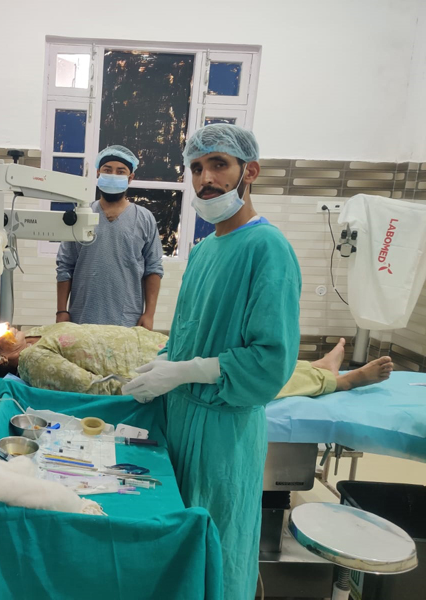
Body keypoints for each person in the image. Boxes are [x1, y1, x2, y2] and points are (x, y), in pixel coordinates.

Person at [111, 124, 299, 599]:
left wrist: (190, 372)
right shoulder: (204, 250)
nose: (205, 178)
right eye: (196, 167)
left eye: (219, 165)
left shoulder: (267, 249)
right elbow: (188, 334)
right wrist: (159, 368)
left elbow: (271, 361)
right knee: (181, 546)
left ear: (248, 171)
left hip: (223, 432)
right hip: (182, 418)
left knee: (217, 546)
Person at [0, 323, 393, 398]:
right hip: (156, 373)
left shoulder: (35, 338)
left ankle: (317, 368)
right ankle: (338, 381)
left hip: (157, 348)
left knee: (246, 359)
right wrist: (155, 384)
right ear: (1, 361)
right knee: (243, 377)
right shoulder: (34, 362)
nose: (5, 327)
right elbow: (95, 388)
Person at [56, 145, 164, 329]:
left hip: (127, 319)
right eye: (107, 170)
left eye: (120, 171)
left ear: (130, 178)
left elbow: (153, 268)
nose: (113, 175)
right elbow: (65, 265)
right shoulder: (81, 215)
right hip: (81, 316)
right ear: (98, 173)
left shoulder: (144, 218)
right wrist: (61, 311)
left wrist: (149, 314)